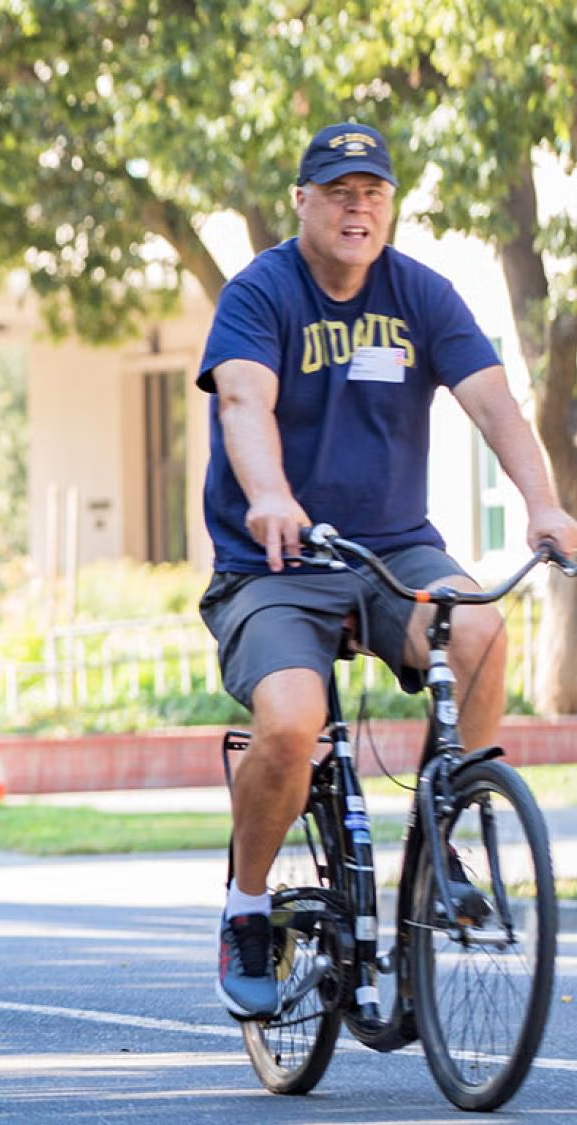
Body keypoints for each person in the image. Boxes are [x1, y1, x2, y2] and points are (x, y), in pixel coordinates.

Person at [197, 121, 577, 1020]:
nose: (356, 207)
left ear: (390, 205)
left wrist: (545, 504)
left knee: (479, 628)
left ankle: (446, 851)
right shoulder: (261, 291)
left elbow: (495, 402)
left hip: (391, 549)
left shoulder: (420, 293)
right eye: (337, 191)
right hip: (274, 561)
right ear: (303, 200)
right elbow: (245, 401)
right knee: (292, 723)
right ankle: (249, 905)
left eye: (371, 192)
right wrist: (271, 495)